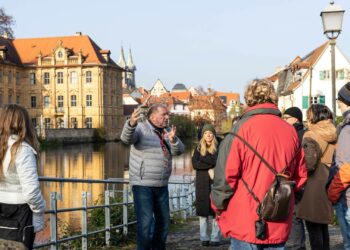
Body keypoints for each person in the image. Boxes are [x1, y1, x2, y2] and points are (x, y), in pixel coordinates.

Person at [210, 78, 307, 250]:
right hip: (279, 215)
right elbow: (300, 177)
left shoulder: (241, 128)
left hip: (245, 219)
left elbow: (225, 177)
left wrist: (217, 206)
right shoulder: (291, 131)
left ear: (249, 99)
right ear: (273, 98)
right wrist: (290, 199)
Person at [120, 103, 185, 250]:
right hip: (143, 184)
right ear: (153, 116)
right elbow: (126, 139)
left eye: (168, 114)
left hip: (161, 185)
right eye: (164, 114)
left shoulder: (168, 131)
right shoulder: (141, 128)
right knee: (146, 222)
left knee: (163, 222)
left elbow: (180, 150)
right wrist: (130, 123)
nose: (167, 117)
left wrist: (173, 140)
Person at [0, 104, 46, 249]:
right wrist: (39, 214)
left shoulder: (3, 147)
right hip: (19, 215)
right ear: (24, 124)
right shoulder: (22, 150)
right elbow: (31, 192)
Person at [296, 104, 337, 250]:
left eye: (308, 115)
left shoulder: (311, 134)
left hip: (313, 184)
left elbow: (309, 163)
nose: (307, 119)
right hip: (328, 180)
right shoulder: (333, 132)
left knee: (313, 226)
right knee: (322, 226)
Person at [327, 82, 350, 249]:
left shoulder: (347, 129)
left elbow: (346, 167)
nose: (338, 105)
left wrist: (332, 193)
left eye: (339, 101)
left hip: (346, 196)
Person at [192, 124, 221, 247]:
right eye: (205, 133)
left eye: (210, 133)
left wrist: (203, 160)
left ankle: (215, 238)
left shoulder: (219, 147)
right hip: (202, 183)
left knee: (216, 211)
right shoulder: (198, 149)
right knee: (203, 212)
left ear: (213, 135)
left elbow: (218, 161)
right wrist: (210, 164)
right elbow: (195, 165)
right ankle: (204, 237)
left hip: (216, 182)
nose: (208, 135)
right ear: (203, 135)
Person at [283, 107, 307, 250]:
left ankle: (297, 246)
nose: (284, 120)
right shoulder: (295, 133)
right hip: (297, 180)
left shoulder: (299, 135)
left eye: (286, 118)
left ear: (295, 119)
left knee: (295, 217)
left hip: (299, 182)